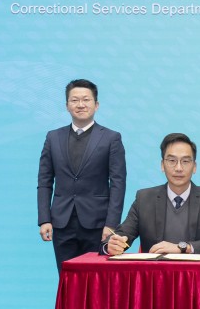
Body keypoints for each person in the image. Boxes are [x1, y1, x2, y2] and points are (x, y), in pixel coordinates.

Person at [37, 79, 127, 273]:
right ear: (67, 105)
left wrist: (111, 224)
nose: (80, 105)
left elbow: (118, 183)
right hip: (62, 223)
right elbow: (44, 181)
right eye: (75, 100)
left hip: (98, 224)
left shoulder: (111, 138)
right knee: (67, 280)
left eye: (86, 99)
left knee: (96, 283)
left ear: (96, 104)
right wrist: (45, 219)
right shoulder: (53, 137)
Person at [104, 133, 200, 256]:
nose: (178, 168)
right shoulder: (144, 199)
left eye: (185, 161)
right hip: (155, 276)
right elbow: (121, 235)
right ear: (162, 165)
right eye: (172, 160)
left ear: (194, 167)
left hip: (196, 276)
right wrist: (112, 245)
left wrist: (184, 247)